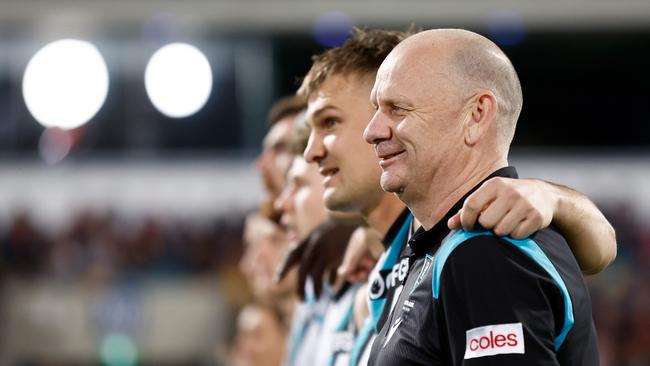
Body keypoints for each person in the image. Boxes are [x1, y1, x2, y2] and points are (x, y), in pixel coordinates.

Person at [298, 28, 615, 365]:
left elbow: (600, 249)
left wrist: (560, 199)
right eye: (377, 109)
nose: (372, 131)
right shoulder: (427, 249)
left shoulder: (483, 252)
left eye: (398, 109)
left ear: (477, 115)